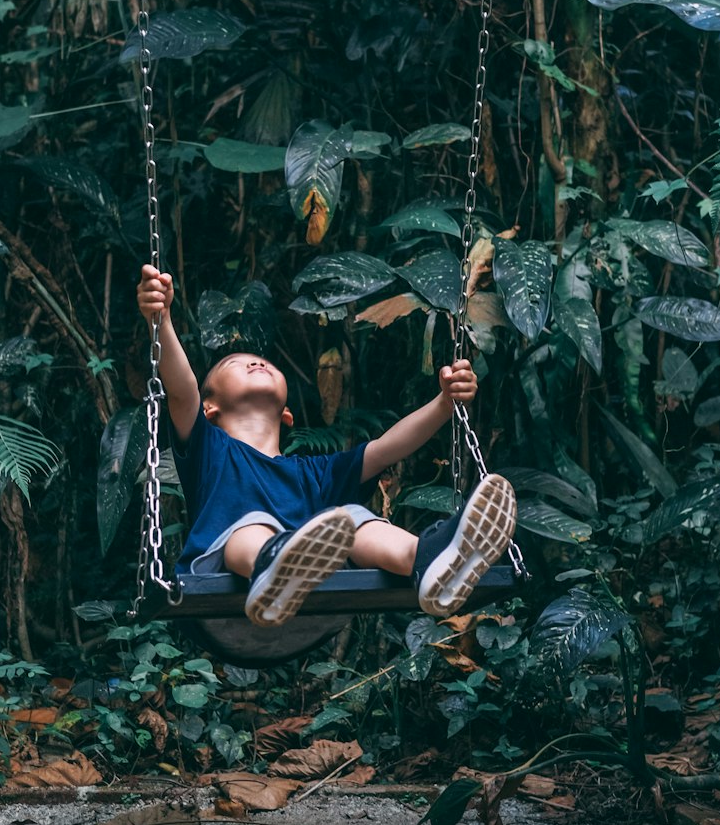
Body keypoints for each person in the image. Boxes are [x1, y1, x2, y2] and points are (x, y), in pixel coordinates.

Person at [137, 264, 517, 629]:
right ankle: (274, 564)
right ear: (209, 408)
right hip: (229, 591)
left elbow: (385, 448)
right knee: (251, 527)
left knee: (351, 517)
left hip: (314, 596)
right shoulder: (209, 449)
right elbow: (182, 389)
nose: (257, 364)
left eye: (263, 363)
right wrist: (162, 321)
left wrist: (444, 403)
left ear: (287, 414)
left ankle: (428, 561)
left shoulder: (313, 475)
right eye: (237, 363)